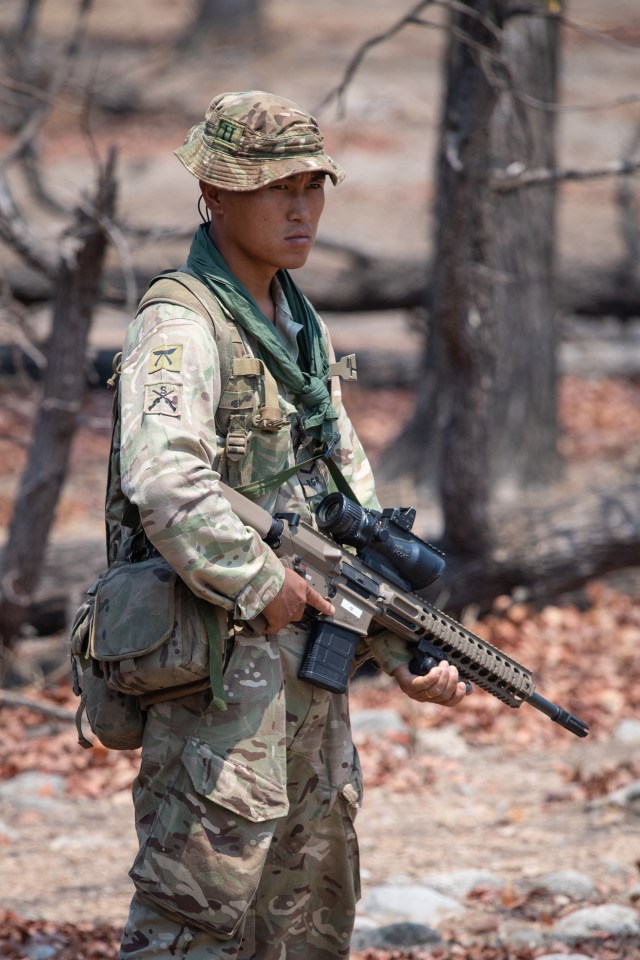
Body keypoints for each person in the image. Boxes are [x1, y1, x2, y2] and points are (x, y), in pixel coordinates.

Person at [116, 90, 467, 960]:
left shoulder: (299, 329)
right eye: (277, 186)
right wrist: (264, 581)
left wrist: (398, 650)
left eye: (313, 184)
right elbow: (162, 480)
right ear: (215, 194)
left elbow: (346, 517)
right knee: (193, 927)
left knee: (308, 922)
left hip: (309, 694)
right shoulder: (181, 324)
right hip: (216, 689)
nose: (302, 206)